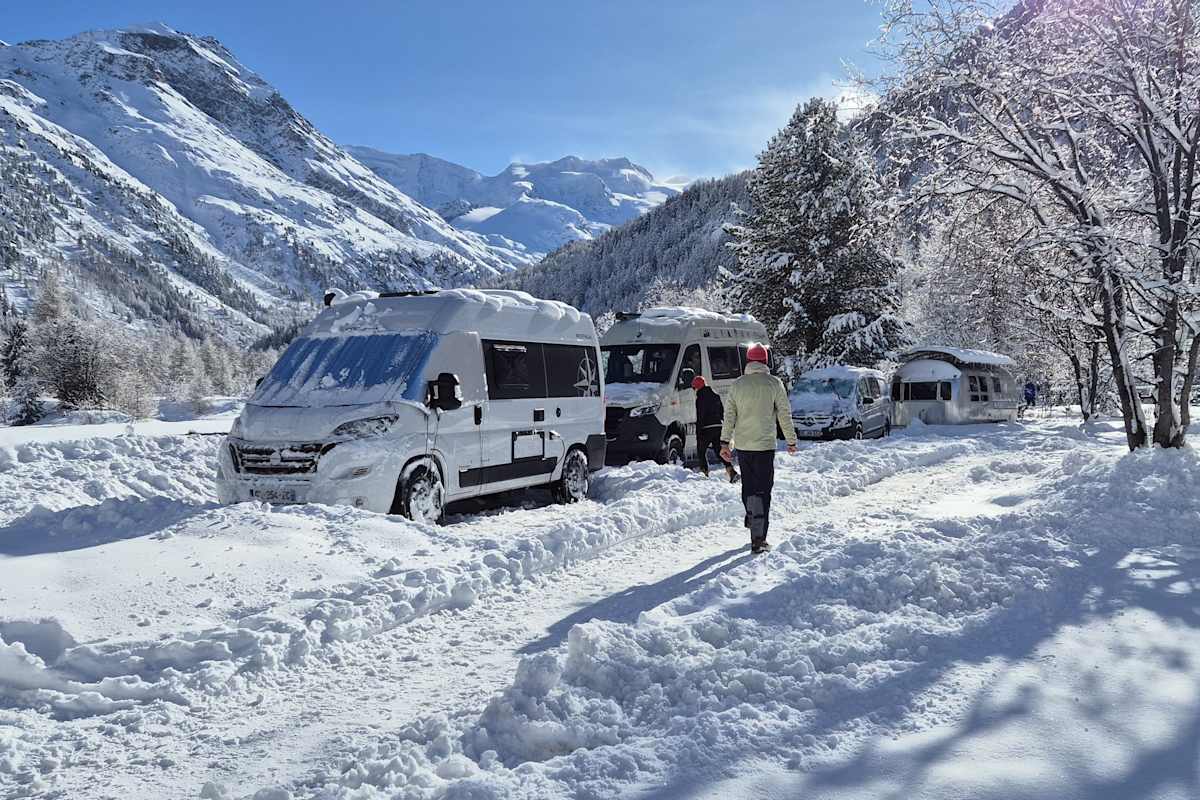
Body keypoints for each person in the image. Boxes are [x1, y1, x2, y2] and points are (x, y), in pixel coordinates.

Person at [719, 344, 798, 554]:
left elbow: (729, 416)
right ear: (765, 361)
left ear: (748, 361)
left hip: (743, 445)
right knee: (764, 490)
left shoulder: (738, 385)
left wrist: (724, 442)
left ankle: (751, 514)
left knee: (749, 486)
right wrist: (791, 440)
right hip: (764, 446)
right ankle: (759, 539)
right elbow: (784, 414)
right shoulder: (774, 383)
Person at [692, 375, 739, 483]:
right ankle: (731, 472)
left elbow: (701, 416)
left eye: (694, 388)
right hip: (718, 426)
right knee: (720, 451)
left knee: (701, 450)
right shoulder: (716, 395)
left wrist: (698, 433)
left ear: (697, 387)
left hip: (707, 428)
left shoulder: (700, 398)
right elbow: (722, 412)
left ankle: (704, 474)